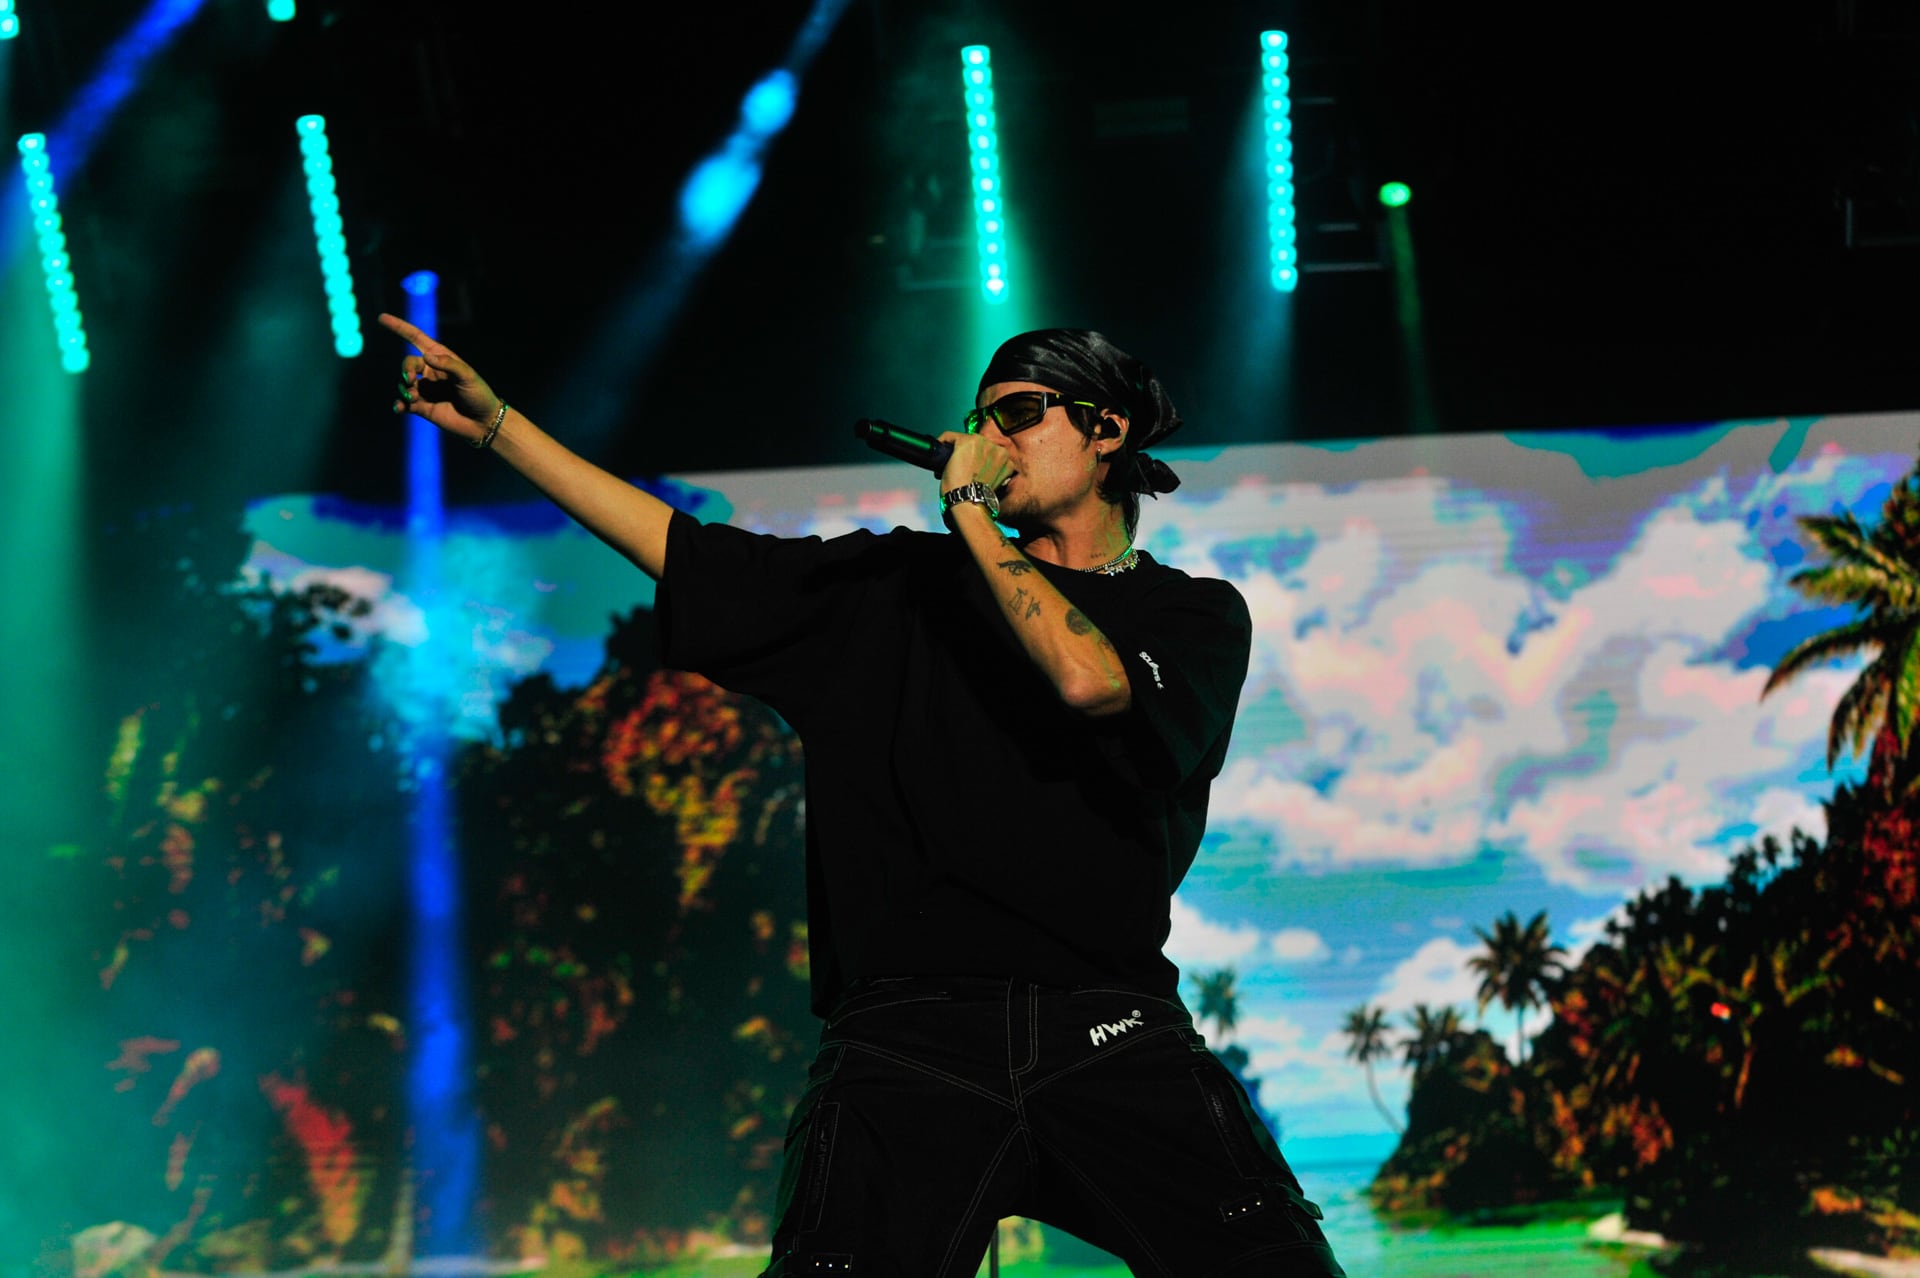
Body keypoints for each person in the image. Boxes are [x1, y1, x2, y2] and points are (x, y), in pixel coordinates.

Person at [380, 314, 1346, 1278]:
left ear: (1108, 430)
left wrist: (969, 510)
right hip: (906, 1038)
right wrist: (499, 424)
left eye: (1019, 413)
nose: (988, 436)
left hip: (1111, 1028)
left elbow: (1087, 680)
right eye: (980, 417)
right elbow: (689, 554)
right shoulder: (896, 586)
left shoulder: (1191, 615)